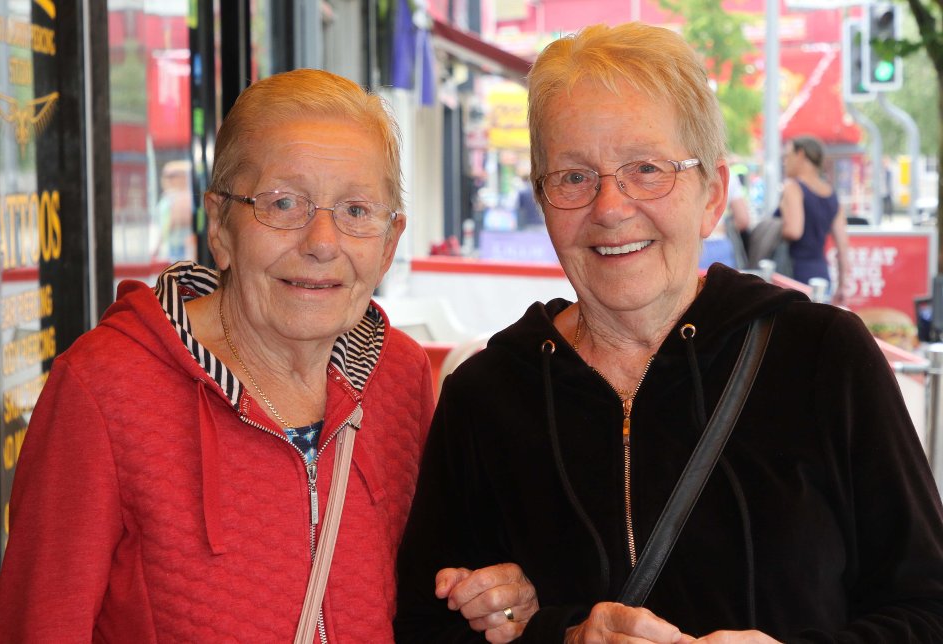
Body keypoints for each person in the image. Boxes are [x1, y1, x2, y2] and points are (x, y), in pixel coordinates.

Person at [394, 22, 943, 644]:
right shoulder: (486, 396)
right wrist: (559, 634)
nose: (609, 207)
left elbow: (928, 606)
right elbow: (425, 627)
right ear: (542, 202)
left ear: (713, 193)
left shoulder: (822, 358)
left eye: (647, 168)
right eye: (573, 177)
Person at [0, 69, 435, 642]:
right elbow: (38, 626)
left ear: (390, 242)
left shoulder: (400, 376)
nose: (322, 243)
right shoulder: (102, 388)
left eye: (355, 211)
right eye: (283, 202)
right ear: (220, 225)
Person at [776, 136, 850, 302]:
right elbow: (843, 247)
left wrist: (776, 227)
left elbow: (794, 231)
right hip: (822, 276)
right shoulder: (832, 195)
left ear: (800, 155)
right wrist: (842, 286)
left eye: (788, 156)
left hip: (793, 276)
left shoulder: (792, 187)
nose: (785, 162)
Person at [154, 159, 195, 261]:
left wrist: (158, 245)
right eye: (167, 176)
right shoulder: (169, 197)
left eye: (172, 176)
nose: (167, 179)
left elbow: (170, 223)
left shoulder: (181, 197)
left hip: (180, 246)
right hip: (174, 245)